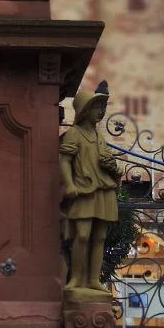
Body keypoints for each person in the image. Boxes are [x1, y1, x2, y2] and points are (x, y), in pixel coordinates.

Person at [59, 81, 121, 292]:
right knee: (83, 235)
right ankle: (77, 278)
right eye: (96, 108)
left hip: (104, 190)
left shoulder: (99, 136)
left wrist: (112, 165)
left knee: (100, 237)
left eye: (102, 109)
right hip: (84, 190)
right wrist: (69, 184)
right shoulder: (74, 133)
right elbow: (64, 160)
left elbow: (109, 162)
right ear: (85, 110)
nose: (100, 113)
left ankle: (93, 280)